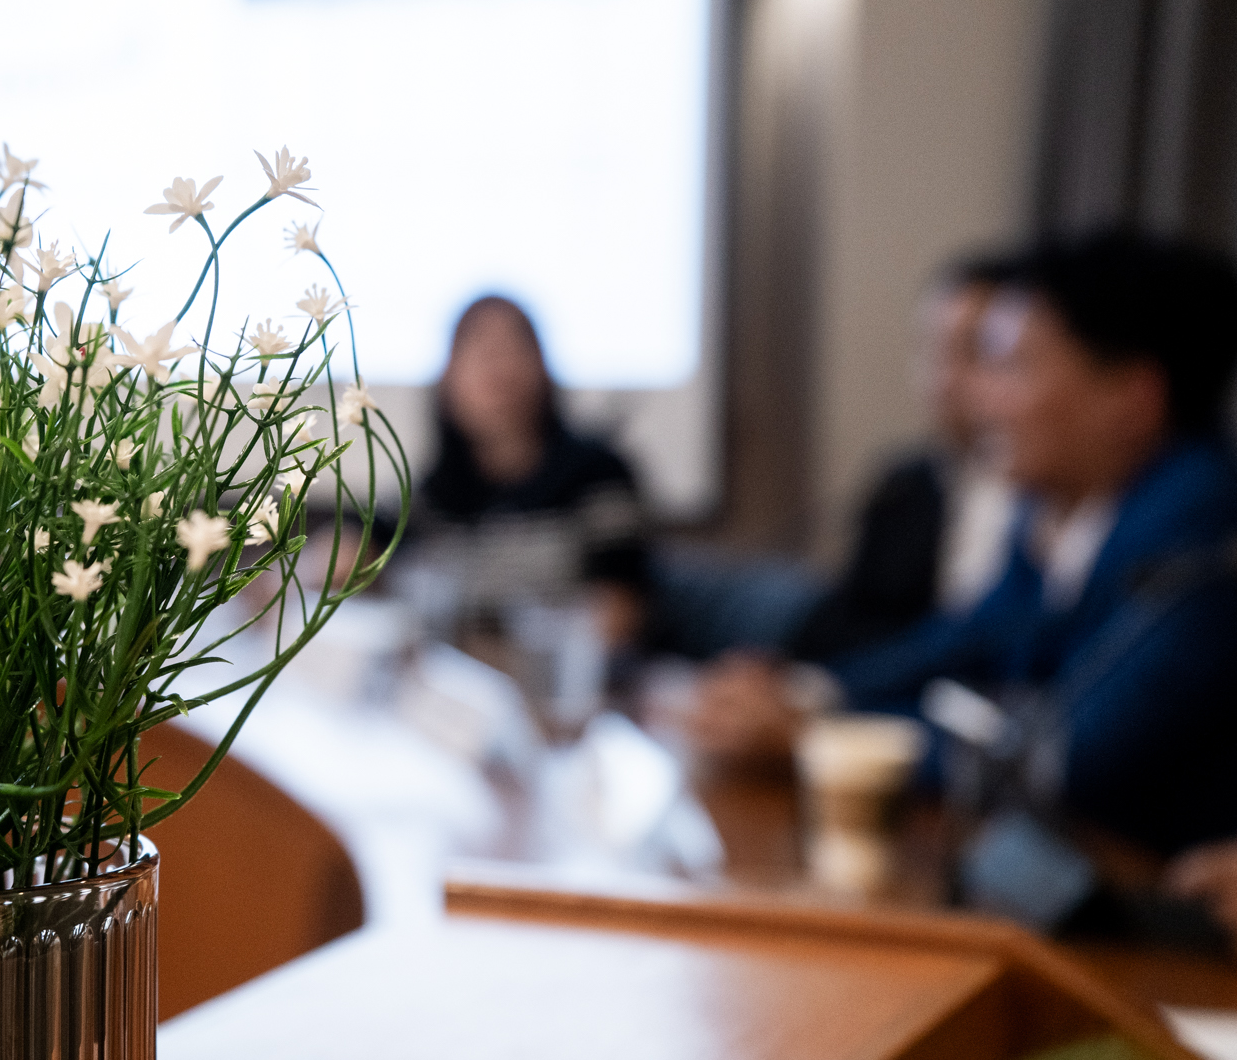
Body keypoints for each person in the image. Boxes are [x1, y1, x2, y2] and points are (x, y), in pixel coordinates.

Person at [686, 231, 1237, 878]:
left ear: (1130, 401)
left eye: (1013, 367)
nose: (981, 398)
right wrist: (804, 696)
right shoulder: (1066, 510)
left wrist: (814, 737)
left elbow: (1057, 757)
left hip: (1156, 908)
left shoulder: (1202, 541)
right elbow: (961, 641)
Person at [786, 256, 1019, 662]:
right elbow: (842, 626)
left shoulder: (1046, 493)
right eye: (934, 351)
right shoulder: (904, 485)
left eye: (972, 352)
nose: (945, 380)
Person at [410, 295, 651, 649]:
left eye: (512, 348)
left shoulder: (598, 476)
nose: (496, 370)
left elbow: (621, 615)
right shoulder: (430, 494)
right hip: (460, 677)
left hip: (562, 675)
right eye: (478, 351)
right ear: (448, 378)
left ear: (542, 366)